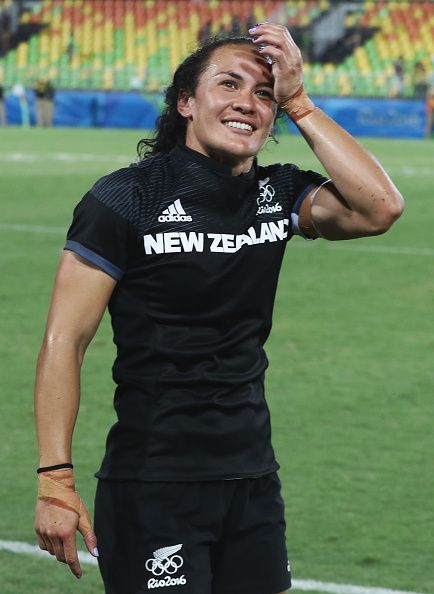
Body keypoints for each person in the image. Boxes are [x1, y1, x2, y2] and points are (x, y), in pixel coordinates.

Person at [34, 24, 404, 594]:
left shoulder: (278, 193)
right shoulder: (124, 199)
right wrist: (55, 479)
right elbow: (66, 340)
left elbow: (380, 208)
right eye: (228, 84)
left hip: (252, 479)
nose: (246, 103)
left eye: (262, 93)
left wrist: (299, 101)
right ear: (186, 102)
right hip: (153, 482)